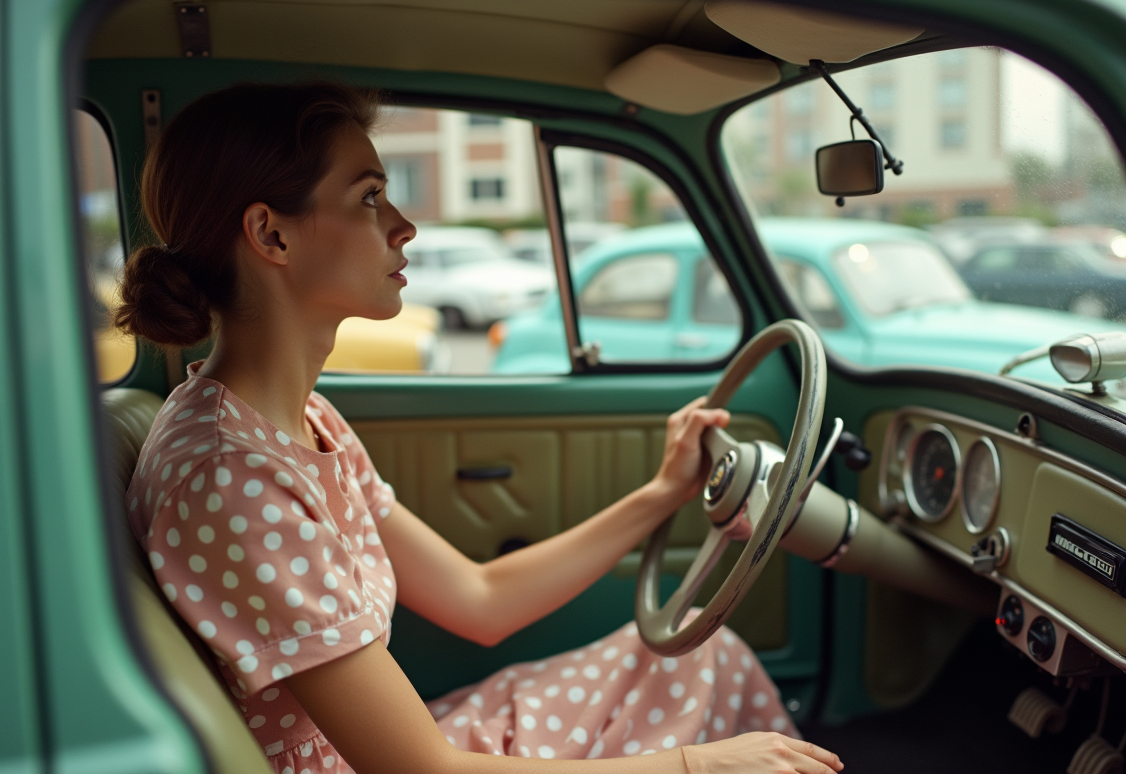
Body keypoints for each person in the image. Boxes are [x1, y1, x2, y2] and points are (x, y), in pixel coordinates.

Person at [116, 82, 844, 774]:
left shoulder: (304, 421)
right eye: (370, 198)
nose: (405, 225)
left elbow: (480, 599)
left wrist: (661, 492)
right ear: (271, 234)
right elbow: (418, 768)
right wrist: (692, 765)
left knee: (700, 660)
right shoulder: (231, 477)